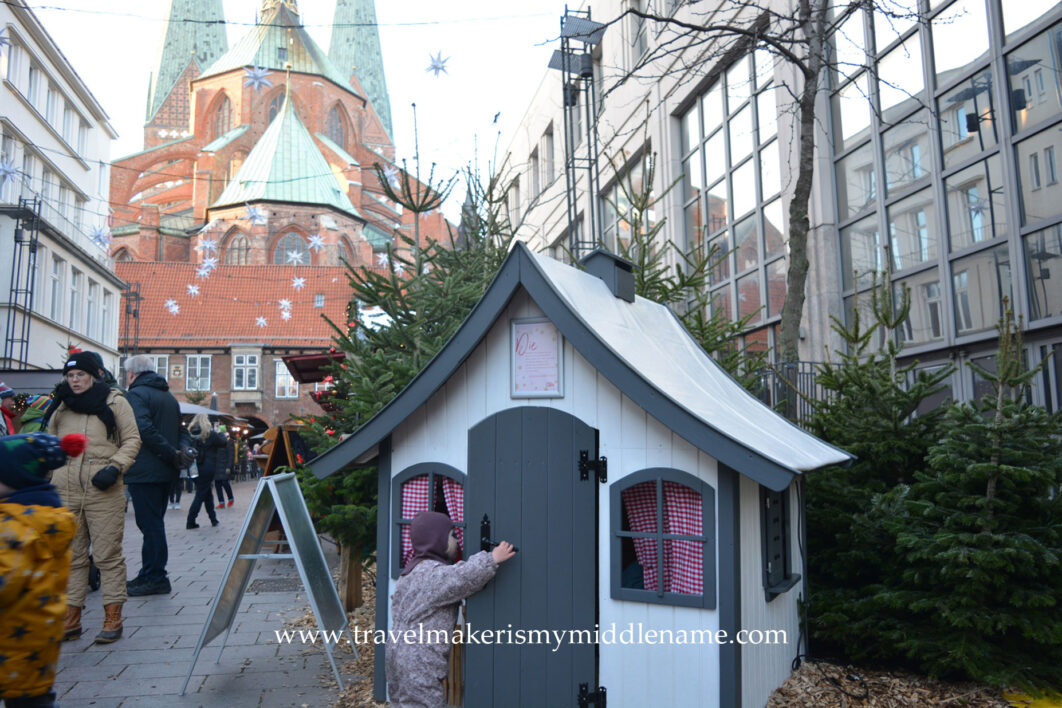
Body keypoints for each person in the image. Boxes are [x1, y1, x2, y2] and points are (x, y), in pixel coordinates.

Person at [48, 351, 141, 644]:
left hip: (104, 489)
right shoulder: (61, 406)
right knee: (72, 557)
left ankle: (112, 617)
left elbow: (132, 440)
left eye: (80, 375)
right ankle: (71, 619)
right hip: (65, 489)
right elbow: (50, 443)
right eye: (71, 376)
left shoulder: (115, 402)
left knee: (107, 556)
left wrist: (114, 467)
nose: (74, 381)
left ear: (94, 375)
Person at [387, 511, 516, 708]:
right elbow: (463, 577)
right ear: (437, 540)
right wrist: (492, 558)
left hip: (395, 652)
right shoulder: (433, 576)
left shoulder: (410, 572)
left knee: (403, 703)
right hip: (419, 658)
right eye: (453, 536)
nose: (457, 542)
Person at [0, 432, 84, 708]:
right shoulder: (43, 518)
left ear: (14, 480)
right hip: (36, 641)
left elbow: (5, 580)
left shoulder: (15, 528)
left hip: (13, 646)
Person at [123, 354, 195, 597]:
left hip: (145, 470)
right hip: (166, 472)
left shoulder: (136, 395)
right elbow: (181, 429)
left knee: (150, 525)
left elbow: (143, 429)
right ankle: (149, 572)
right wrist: (182, 449)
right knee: (154, 523)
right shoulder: (168, 396)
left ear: (131, 374)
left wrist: (172, 452)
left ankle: (156, 577)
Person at [186, 413, 223, 529]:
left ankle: (213, 519)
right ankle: (190, 520)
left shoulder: (189, 434)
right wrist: (220, 433)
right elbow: (223, 443)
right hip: (207, 467)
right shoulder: (210, 434)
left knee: (206, 492)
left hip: (193, 467)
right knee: (201, 493)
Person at [214, 425, 235, 508]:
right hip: (216, 465)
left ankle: (230, 498)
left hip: (225, 465)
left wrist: (229, 466)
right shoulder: (215, 441)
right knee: (217, 484)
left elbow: (231, 455)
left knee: (225, 483)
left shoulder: (229, 441)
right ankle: (221, 502)